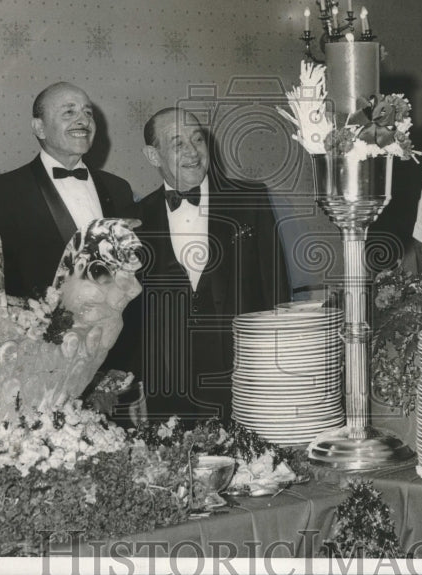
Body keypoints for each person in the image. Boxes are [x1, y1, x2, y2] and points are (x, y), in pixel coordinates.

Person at [108, 107, 291, 425]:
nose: (193, 152)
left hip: (246, 380)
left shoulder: (249, 200)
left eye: (197, 139)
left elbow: (276, 291)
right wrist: (136, 386)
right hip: (169, 392)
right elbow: (129, 317)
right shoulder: (134, 218)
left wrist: (279, 372)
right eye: (178, 143)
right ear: (153, 156)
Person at [0, 82, 135, 300]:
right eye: (69, 112)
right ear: (39, 128)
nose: (83, 121)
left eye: (88, 112)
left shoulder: (119, 189)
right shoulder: (3, 192)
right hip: (41, 330)